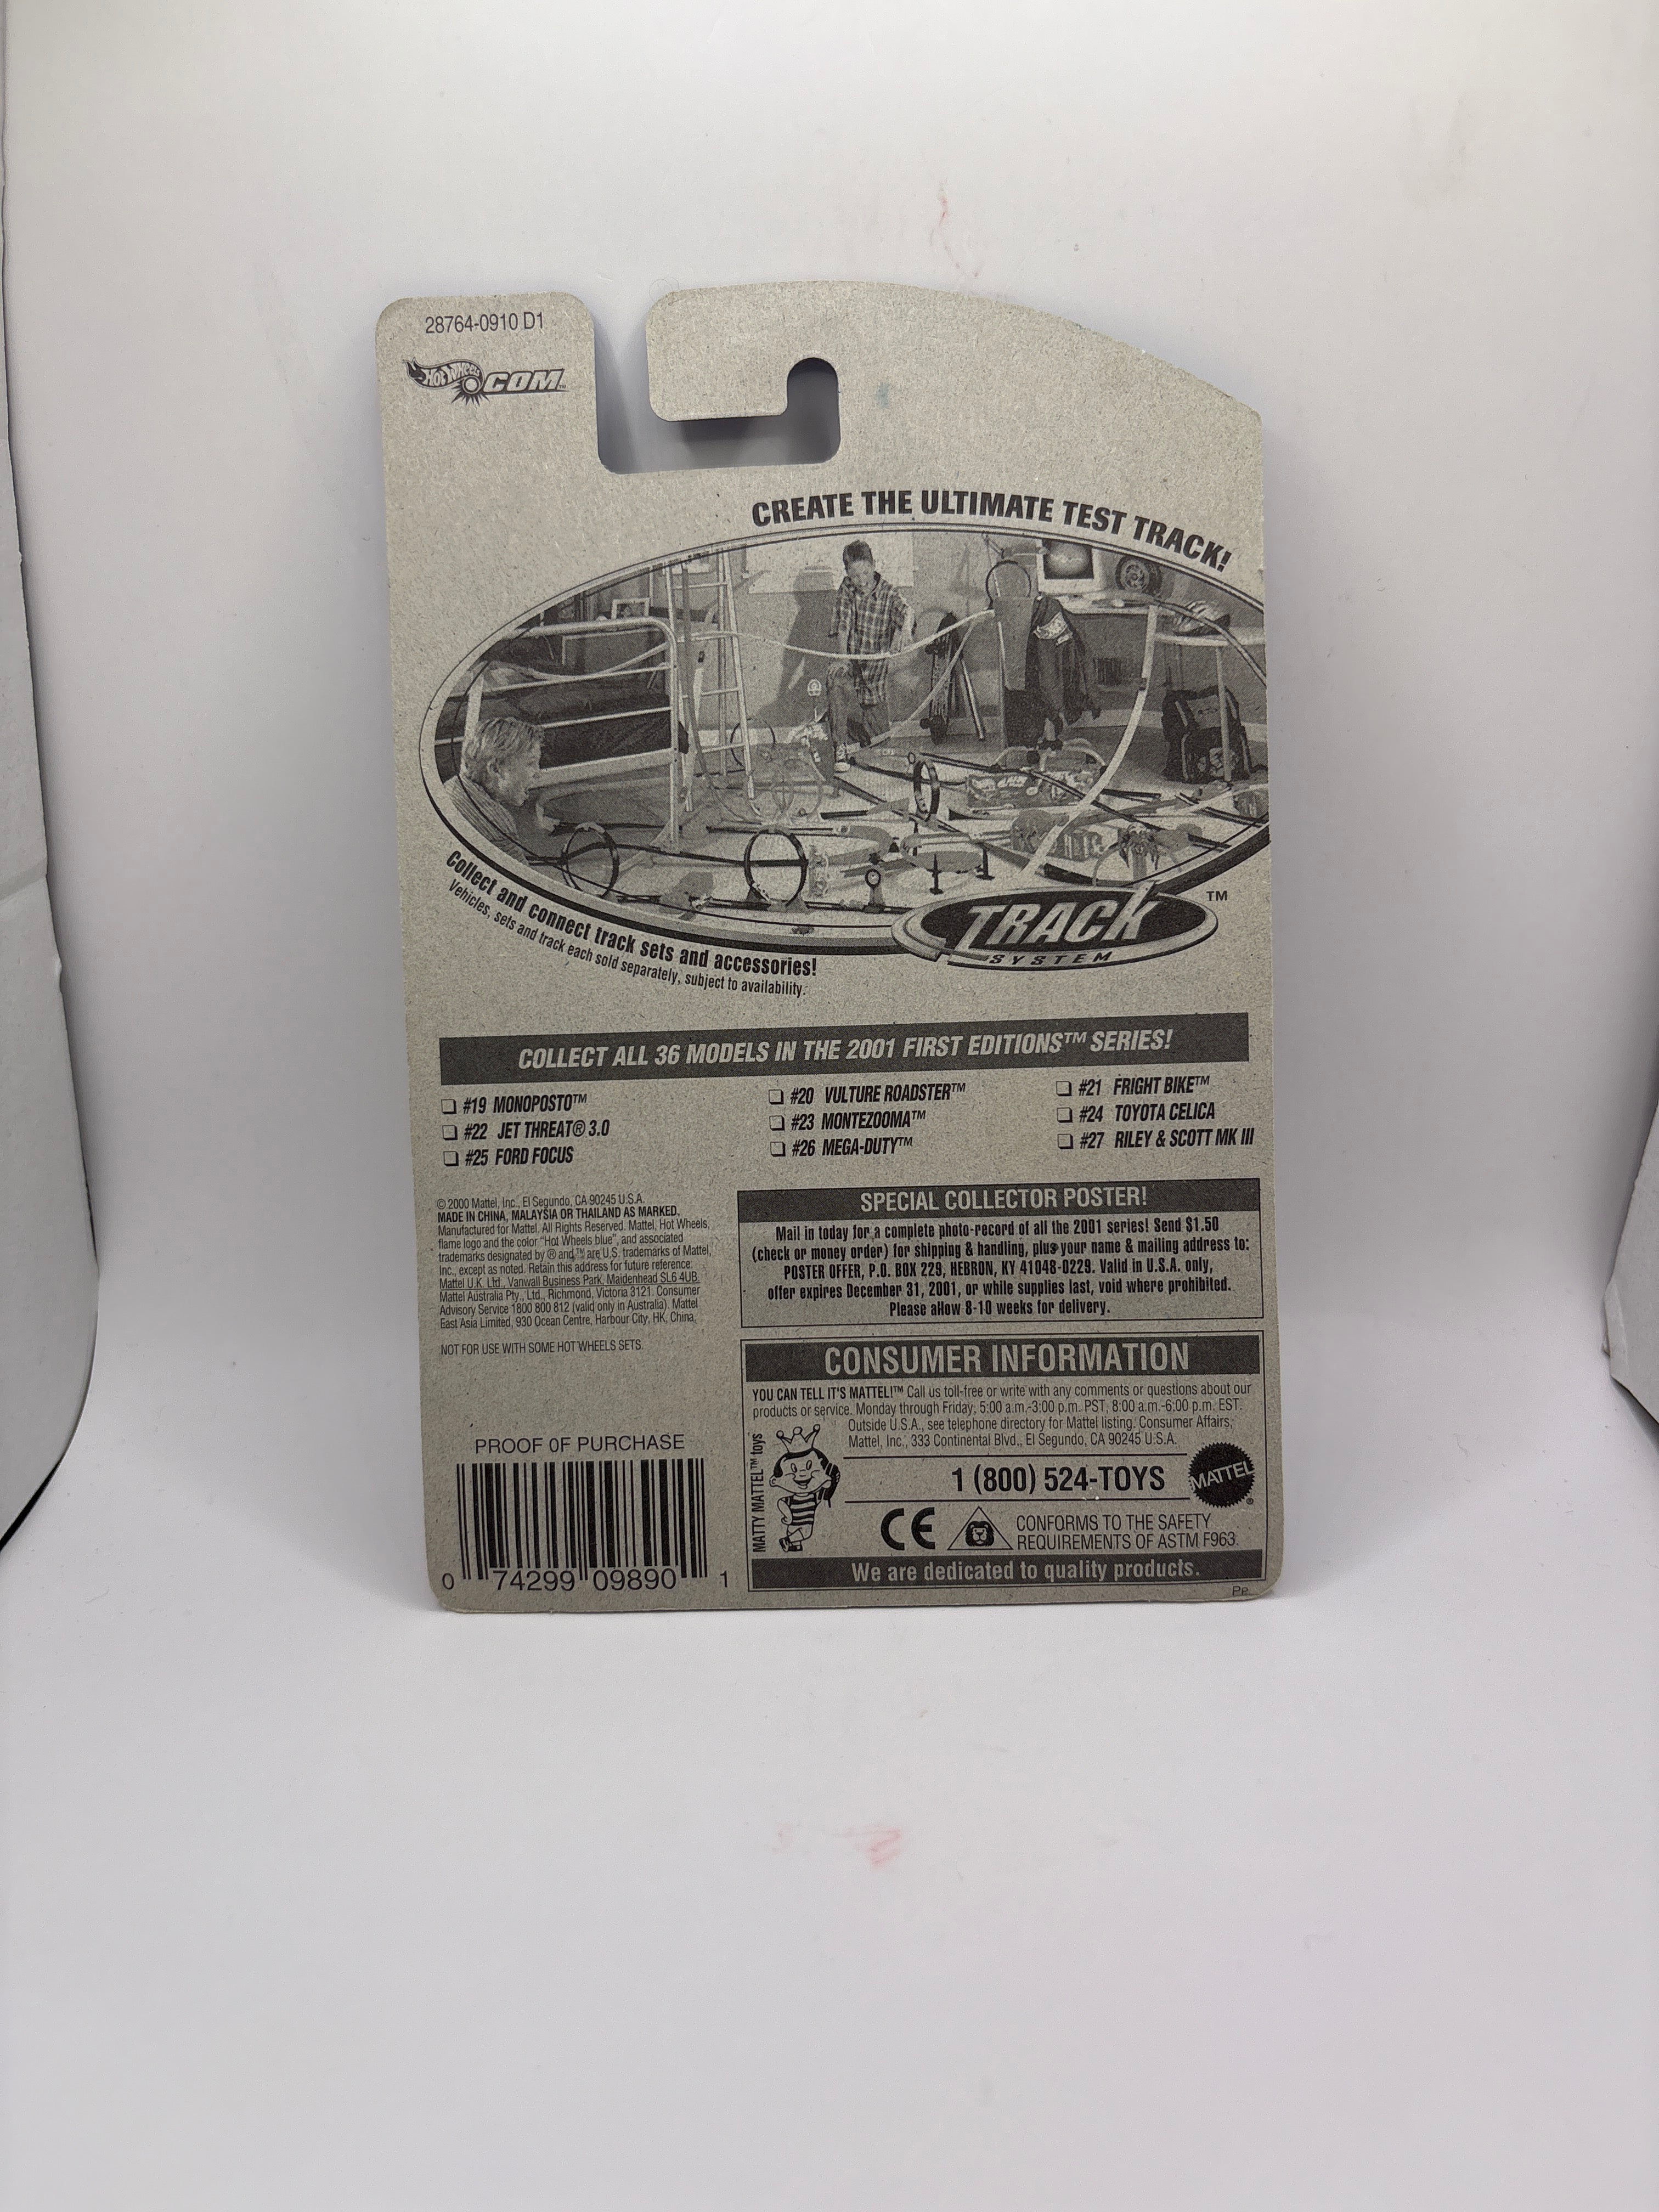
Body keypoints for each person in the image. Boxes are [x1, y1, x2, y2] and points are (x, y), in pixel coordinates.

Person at [827, 540, 910, 753]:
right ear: (847, 573)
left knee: (881, 743)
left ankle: (859, 734)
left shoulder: (889, 593)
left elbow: (907, 612)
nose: (862, 580)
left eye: (866, 573)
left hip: (874, 677)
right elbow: (843, 625)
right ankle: (840, 746)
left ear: (874, 565)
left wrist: (903, 630)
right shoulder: (847, 588)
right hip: (851, 665)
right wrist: (843, 658)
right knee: (836, 679)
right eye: (855, 576)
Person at [450, 710, 548, 862]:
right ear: (496, 769)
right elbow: (520, 877)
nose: (538, 774)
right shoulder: (497, 824)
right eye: (530, 764)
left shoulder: (453, 787)